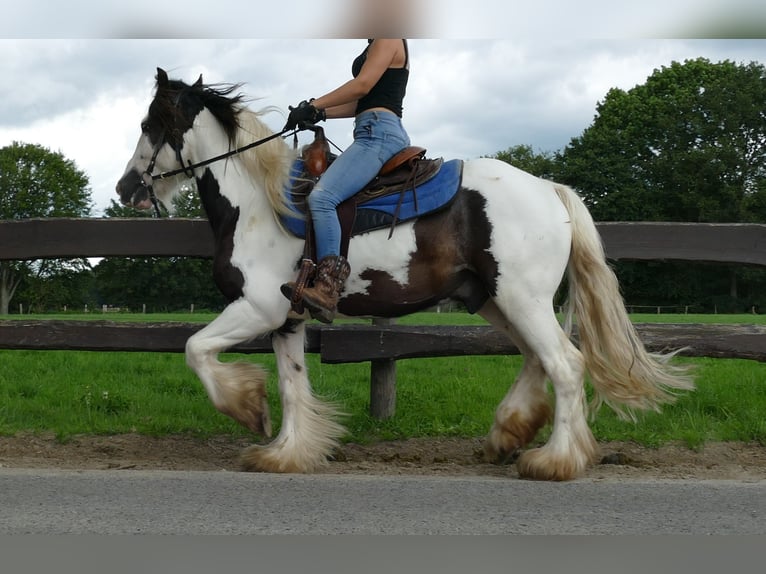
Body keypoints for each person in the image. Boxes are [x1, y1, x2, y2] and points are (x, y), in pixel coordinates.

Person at [281, 39, 411, 323]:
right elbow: (363, 100)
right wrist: (320, 113)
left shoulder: (387, 36)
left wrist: (313, 104)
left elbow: (362, 85)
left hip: (378, 134)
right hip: (371, 127)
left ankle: (327, 288)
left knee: (323, 198)